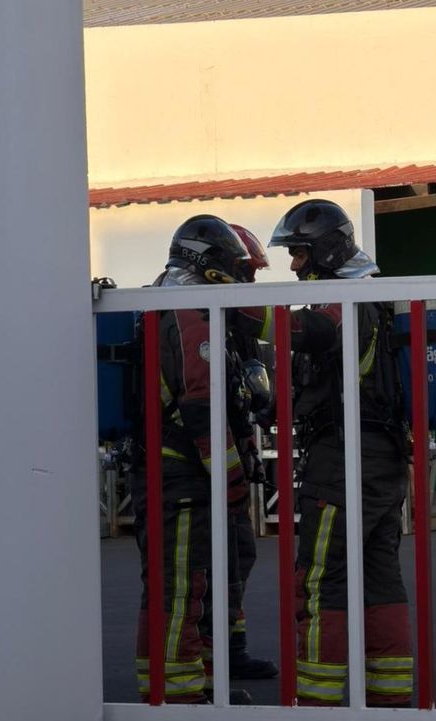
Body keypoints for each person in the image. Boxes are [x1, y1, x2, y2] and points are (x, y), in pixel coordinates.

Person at [267, 199, 414, 707]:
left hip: (344, 463)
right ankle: (390, 702)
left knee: (320, 582)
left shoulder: (347, 301)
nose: (293, 266)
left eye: (300, 255)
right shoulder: (374, 297)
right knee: (380, 579)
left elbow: (316, 333)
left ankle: (318, 707)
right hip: (382, 461)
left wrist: (235, 314)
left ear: (325, 252)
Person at [131, 214, 255, 705]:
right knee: (178, 589)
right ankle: (177, 702)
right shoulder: (185, 313)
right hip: (179, 477)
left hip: (172, 472)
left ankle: (192, 687)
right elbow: (202, 405)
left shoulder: (164, 301)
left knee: (184, 585)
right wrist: (231, 480)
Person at [223, 223, 279, 680]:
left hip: (231, 462)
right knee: (202, 569)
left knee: (238, 557)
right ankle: (197, 675)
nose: (251, 283)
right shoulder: (192, 318)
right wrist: (228, 474)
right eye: (246, 271)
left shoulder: (232, 322)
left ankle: (231, 653)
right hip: (196, 473)